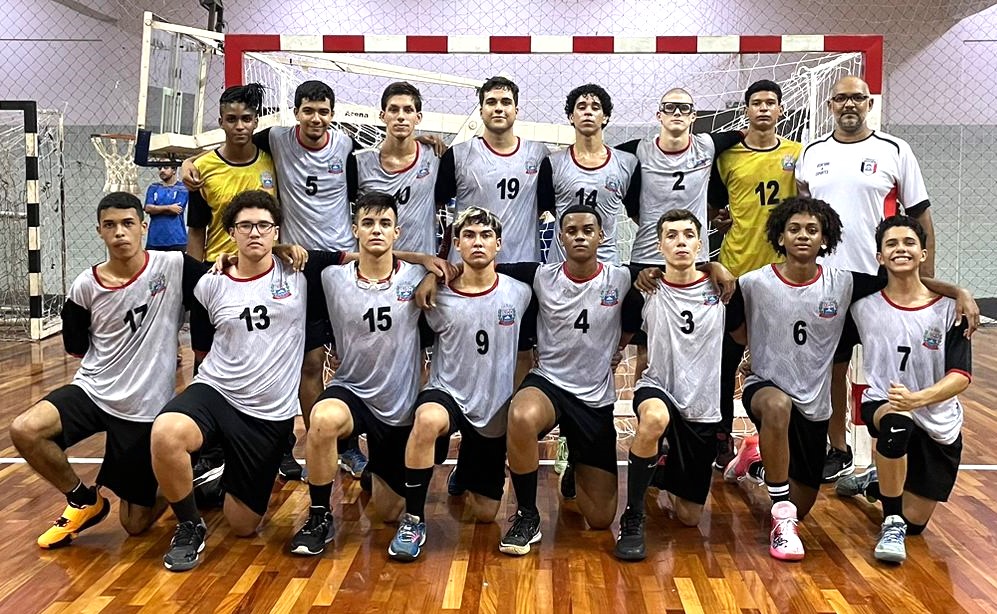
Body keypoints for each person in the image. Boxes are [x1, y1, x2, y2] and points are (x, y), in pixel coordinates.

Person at [724, 196, 971, 562]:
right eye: (794, 229)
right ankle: (782, 520)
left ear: (825, 238)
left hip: (814, 404)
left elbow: (903, 279)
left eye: (812, 229)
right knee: (777, 407)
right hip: (767, 389)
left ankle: (756, 460)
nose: (803, 235)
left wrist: (960, 291)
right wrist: (716, 267)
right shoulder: (752, 283)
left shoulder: (845, 286)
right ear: (779, 236)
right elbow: (730, 321)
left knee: (811, 503)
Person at [184, 80, 365, 482]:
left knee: (328, 359)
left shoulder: (329, 148)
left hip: (318, 264)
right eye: (307, 110)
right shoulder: (268, 145)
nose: (240, 126)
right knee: (227, 361)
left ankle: (329, 445)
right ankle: (220, 449)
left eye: (247, 119)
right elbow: (197, 226)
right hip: (244, 272)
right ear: (295, 113)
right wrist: (189, 161)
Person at [9, 192, 206, 549]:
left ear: (143, 227)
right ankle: (83, 500)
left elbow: (223, 281)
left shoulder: (174, 266)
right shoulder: (85, 285)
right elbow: (75, 347)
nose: (119, 232)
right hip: (93, 391)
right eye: (110, 225)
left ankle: (185, 474)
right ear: (99, 231)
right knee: (25, 429)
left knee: (135, 525)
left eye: (128, 223)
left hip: (144, 409)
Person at [795, 75, 960, 482]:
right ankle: (838, 449)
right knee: (831, 369)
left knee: (892, 367)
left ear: (869, 104)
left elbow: (920, 215)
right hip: (828, 281)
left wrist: (926, 280)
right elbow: (801, 216)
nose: (849, 105)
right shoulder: (812, 153)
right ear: (830, 105)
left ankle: (893, 452)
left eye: (857, 98)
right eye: (841, 99)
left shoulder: (895, 149)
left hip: (880, 280)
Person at [288, 192, 432, 557]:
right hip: (351, 390)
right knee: (322, 419)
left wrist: (429, 266)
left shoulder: (417, 277)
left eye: (385, 224)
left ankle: (375, 473)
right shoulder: (331, 277)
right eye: (368, 223)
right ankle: (319, 516)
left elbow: (450, 270)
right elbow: (276, 254)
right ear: (355, 230)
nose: (376, 230)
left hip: (398, 406)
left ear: (397, 232)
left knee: (388, 513)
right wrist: (234, 255)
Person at [388, 206, 532, 561]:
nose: (477, 242)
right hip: (447, 391)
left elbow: (526, 354)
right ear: (456, 244)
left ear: (499, 244)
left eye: (485, 235)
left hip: (493, 405)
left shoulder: (520, 292)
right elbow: (385, 257)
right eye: (468, 235)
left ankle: (466, 468)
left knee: (485, 513)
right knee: (427, 420)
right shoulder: (435, 295)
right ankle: (413, 520)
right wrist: (429, 270)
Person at [494, 205, 633, 556]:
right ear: (560, 238)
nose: (580, 236)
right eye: (571, 231)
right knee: (521, 415)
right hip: (550, 383)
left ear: (602, 236)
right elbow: (482, 266)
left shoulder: (621, 278)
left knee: (599, 519)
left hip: (594, 398)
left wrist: (715, 265)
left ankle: (575, 463)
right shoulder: (541, 276)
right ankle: (527, 515)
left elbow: (672, 270)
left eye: (588, 230)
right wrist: (432, 271)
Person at [838, 215, 971, 564]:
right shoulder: (862, 307)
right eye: (891, 244)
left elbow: (961, 376)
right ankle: (890, 522)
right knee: (897, 422)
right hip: (884, 403)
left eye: (909, 242)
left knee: (916, 525)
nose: (901, 249)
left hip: (937, 418)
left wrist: (918, 399)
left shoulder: (951, 309)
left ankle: (874, 481)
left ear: (923, 253)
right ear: (879, 256)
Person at [614, 209, 730, 561]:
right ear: (659, 245)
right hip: (658, 387)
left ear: (700, 244)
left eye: (688, 235)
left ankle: (661, 469)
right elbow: (621, 338)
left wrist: (716, 266)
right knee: (653, 419)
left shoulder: (723, 289)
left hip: (702, 404)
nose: (680, 242)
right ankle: (633, 517)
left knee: (688, 517)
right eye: (671, 235)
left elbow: (743, 335)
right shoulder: (644, 290)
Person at [707, 79, 802, 469]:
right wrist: (719, 218)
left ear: (781, 110)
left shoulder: (797, 154)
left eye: (770, 102)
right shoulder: (726, 157)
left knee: (778, 361)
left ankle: (772, 441)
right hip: (735, 270)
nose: (763, 108)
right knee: (725, 360)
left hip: (781, 275)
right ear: (746, 110)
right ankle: (721, 436)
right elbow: (712, 207)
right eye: (756, 102)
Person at [615, 88, 739, 378]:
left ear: (694, 116)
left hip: (693, 259)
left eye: (685, 108)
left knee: (691, 344)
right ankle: (646, 403)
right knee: (649, 351)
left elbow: (744, 135)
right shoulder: (638, 151)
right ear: (658, 114)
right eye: (670, 107)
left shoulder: (707, 146)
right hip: (647, 259)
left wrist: (721, 212)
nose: (677, 113)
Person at [435, 76, 551, 264]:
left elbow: (548, 207)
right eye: (491, 102)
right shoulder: (458, 154)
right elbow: (433, 207)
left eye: (506, 102)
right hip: (467, 269)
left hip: (522, 267)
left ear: (516, 111)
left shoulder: (539, 155)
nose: (498, 108)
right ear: (481, 111)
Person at [538, 83, 640, 265]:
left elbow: (637, 214)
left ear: (605, 117)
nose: (588, 112)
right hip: (562, 266)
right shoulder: (553, 163)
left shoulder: (626, 163)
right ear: (571, 117)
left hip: (607, 267)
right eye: (581, 107)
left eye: (595, 107)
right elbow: (545, 211)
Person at [356, 81, 440, 255]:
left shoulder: (435, 156)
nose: (401, 116)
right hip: (375, 264)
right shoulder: (361, 162)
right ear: (383, 115)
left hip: (422, 266)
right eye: (394, 110)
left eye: (408, 110)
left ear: (418, 117)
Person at [144, 164, 189, 252]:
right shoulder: (153, 187)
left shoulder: (182, 188)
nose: (162, 170)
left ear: (174, 170)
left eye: (165, 168)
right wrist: (169, 207)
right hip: (154, 240)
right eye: (160, 168)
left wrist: (156, 209)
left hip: (177, 240)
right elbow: (148, 208)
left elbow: (176, 210)